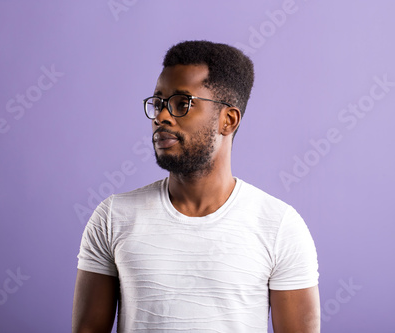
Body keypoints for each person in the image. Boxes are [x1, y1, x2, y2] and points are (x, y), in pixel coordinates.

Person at [72, 40, 320, 332]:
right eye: (159, 103)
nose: (162, 117)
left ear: (228, 120)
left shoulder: (278, 226)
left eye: (182, 103)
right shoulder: (114, 216)